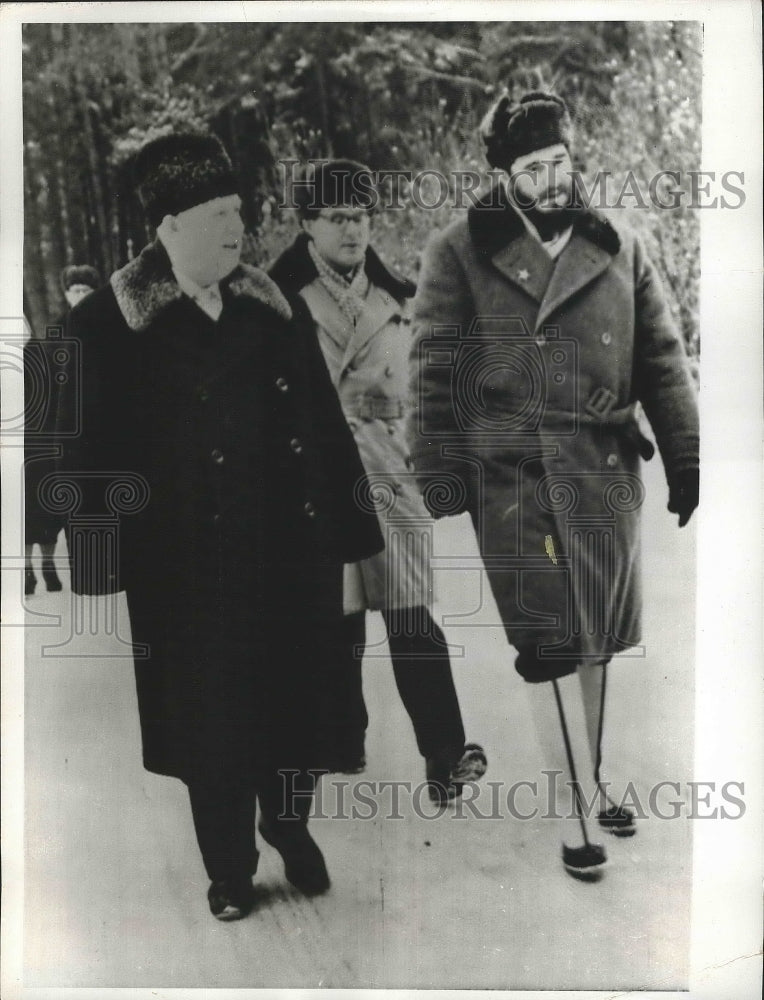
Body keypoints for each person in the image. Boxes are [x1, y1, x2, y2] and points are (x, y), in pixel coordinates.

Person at [55, 133, 383, 920]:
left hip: (284, 554)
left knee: (298, 705)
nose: (237, 227)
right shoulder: (103, 326)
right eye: (216, 215)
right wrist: (96, 556)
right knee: (211, 722)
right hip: (184, 570)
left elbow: (325, 425)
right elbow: (67, 447)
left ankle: (290, 824)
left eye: (238, 211)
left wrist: (355, 532)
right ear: (168, 226)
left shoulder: (269, 308)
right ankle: (230, 867)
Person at [407, 92, 699, 878]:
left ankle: (591, 780)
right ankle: (575, 818)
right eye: (530, 168)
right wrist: (437, 467)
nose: (548, 181)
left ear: (575, 160)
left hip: (603, 469)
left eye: (558, 163)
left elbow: (663, 359)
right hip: (513, 473)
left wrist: (686, 456)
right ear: (504, 176)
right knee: (549, 645)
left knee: (596, 640)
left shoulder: (620, 244)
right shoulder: (459, 250)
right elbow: (434, 365)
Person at [269, 160, 487, 803]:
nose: (352, 231)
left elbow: (432, 390)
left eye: (360, 217)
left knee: (414, 621)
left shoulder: (402, 297)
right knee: (334, 629)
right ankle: (342, 743)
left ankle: (445, 759)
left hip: (393, 479)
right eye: (336, 218)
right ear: (307, 224)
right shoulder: (275, 300)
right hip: (316, 486)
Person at [24, 265, 100, 595]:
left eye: (86, 290)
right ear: (66, 294)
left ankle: (88, 568)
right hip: (55, 427)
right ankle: (34, 566)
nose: (80, 296)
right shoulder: (55, 333)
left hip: (95, 423)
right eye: (75, 290)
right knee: (44, 501)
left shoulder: (107, 327)